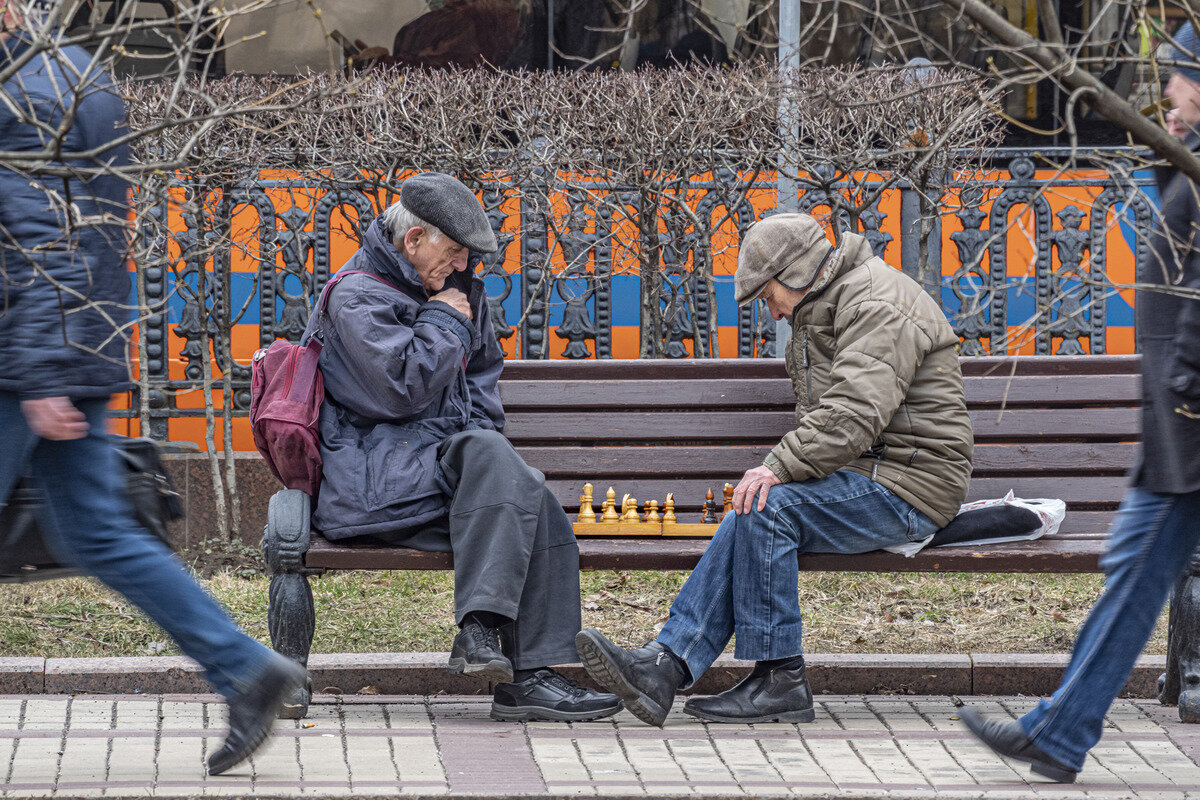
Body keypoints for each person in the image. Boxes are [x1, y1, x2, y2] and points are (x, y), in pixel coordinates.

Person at [0, 1, 305, 777]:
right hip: (84, 344)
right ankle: (245, 666)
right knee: (94, 532)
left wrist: (39, 373)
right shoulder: (77, 73)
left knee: (95, 530)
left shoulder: (22, 93)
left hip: (29, 358)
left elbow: (39, 239)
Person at [576, 212, 974, 726]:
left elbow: (854, 413)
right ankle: (664, 667)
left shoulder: (876, 304)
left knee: (768, 506)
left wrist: (778, 467)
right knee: (757, 506)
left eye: (768, 297)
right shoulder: (828, 306)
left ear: (798, 273)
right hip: (874, 474)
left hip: (911, 486)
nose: (773, 312)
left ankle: (778, 678)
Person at [958, 23, 1200, 785]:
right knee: (1132, 571)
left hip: (1186, 435)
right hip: (1173, 437)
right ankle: (1061, 733)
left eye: (1179, 77)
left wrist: (1185, 395)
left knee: (1132, 575)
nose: (1166, 92)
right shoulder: (1188, 171)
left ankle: (1060, 732)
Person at [303, 172, 619, 722]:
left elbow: (481, 385)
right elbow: (400, 390)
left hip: (440, 477)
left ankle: (520, 670)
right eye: (451, 254)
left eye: (467, 257)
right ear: (413, 240)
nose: (461, 267)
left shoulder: (458, 293)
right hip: (376, 484)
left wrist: (478, 446)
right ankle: (488, 636)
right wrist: (447, 319)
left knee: (531, 496)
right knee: (508, 473)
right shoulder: (356, 298)